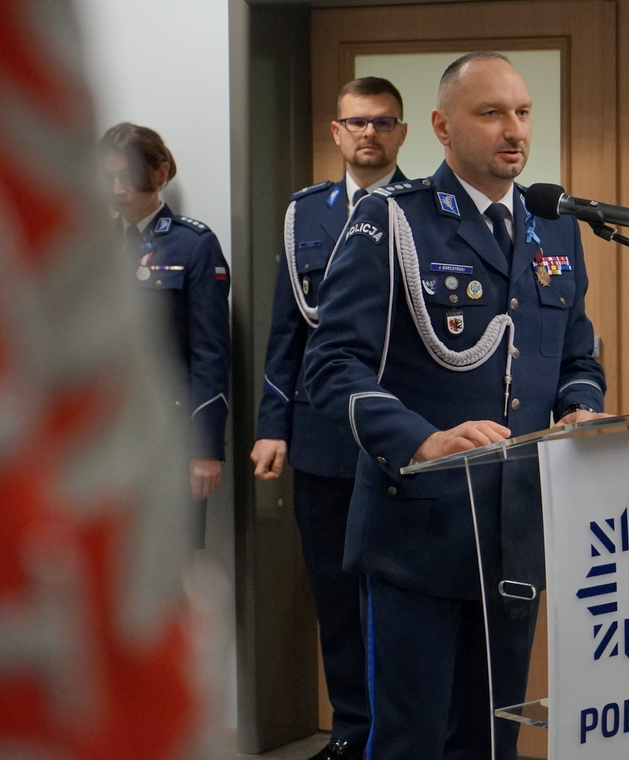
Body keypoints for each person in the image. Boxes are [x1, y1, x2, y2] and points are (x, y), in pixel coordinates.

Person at [304, 53, 609, 760]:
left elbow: (576, 356)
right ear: (442, 127)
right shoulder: (393, 220)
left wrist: (581, 408)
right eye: (491, 113)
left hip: (515, 530)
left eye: (523, 112)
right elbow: (332, 364)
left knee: (492, 739)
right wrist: (420, 440)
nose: (514, 130)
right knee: (411, 742)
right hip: (419, 529)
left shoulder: (554, 227)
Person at [250, 77, 408, 760]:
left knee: (402, 596)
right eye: (357, 122)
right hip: (321, 438)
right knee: (336, 593)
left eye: (383, 122)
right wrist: (272, 425)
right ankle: (351, 732)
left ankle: (403, 737)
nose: (369, 133)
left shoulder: (421, 209)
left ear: (403, 132)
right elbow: (287, 329)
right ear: (336, 132)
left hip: (402, 437)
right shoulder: (305, 214)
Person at [99, 123, 230, 545]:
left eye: (128, 175)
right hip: (108, 438)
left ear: (160, 173)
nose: (117, 189)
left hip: (171, 436)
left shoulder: (194, 244)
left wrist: (206, 448)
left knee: (172, 556)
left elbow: (210, 352)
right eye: (108, 176)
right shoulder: (95, 247)